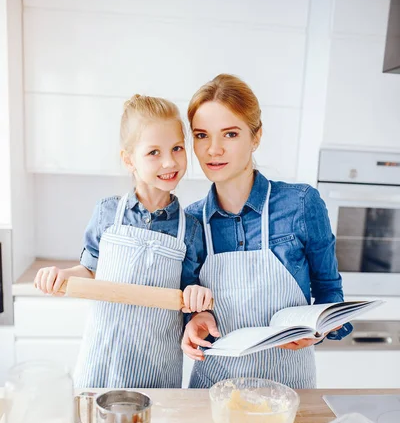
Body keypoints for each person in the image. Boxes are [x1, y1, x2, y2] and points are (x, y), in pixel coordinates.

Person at [182, 74, 352, 389]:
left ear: (256, 137)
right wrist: (191, 323)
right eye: (201, 135)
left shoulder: (301, 204)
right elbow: (185, 307)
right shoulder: (190, 220)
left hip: (290, 390)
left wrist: (319, 330)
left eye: (230, 134)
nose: (213, 149)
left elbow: (329, 293)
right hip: (212, 391)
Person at [34, 94, 212, 388]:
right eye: (153, 152)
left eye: (177, 148)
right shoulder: (107, 213)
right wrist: (62, 275)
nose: (169, 161)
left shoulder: (190, 229)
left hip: (157, 369)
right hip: (102, 359)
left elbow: (188, 298)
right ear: (129, 159)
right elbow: (90, 270)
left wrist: (198, 297)